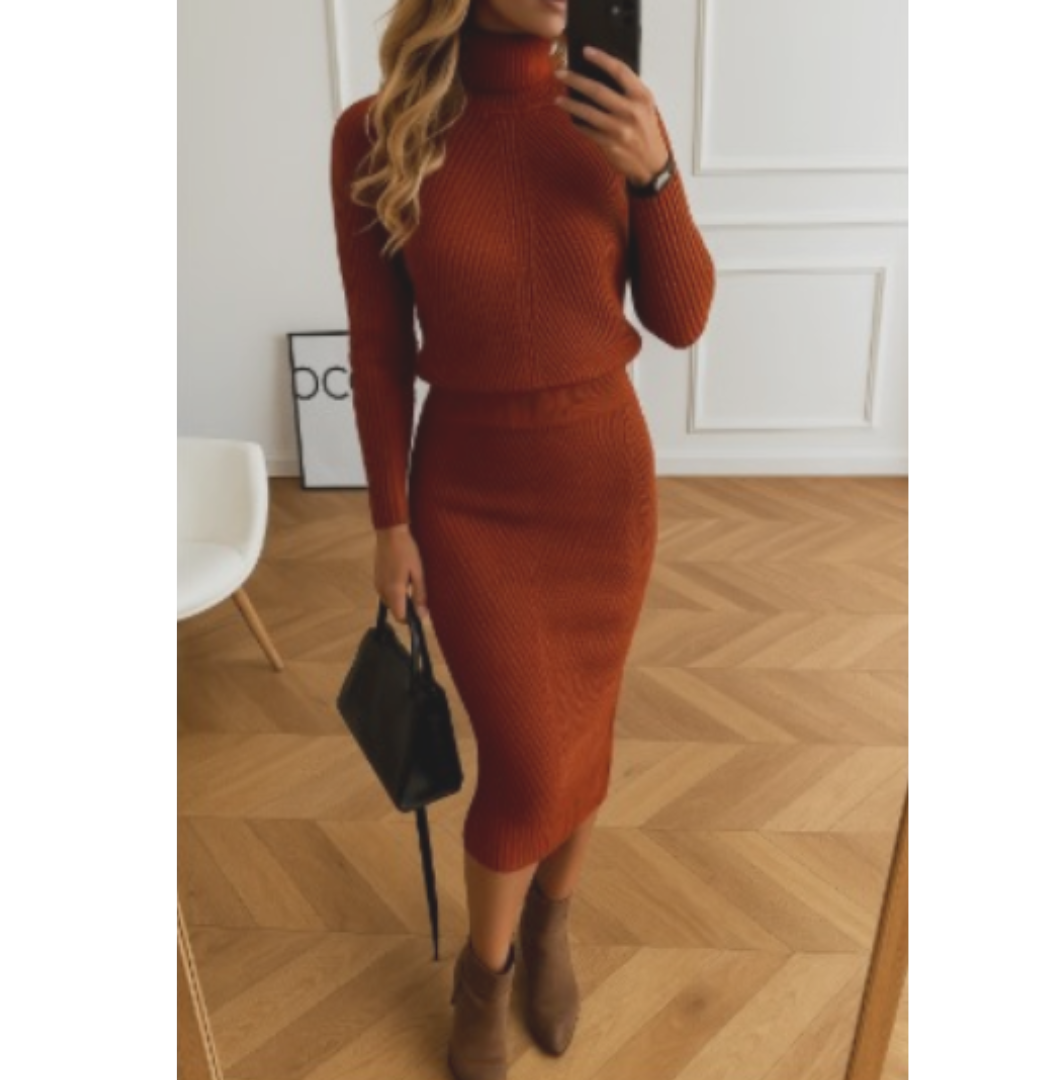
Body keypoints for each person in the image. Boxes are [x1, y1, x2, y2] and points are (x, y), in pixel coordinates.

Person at [329, 1, 715, 1076]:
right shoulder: (378, 132)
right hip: (469, 498)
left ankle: (550, 923)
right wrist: (389, 521)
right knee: (531, 761)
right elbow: (377, 348)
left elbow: (682, 317)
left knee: (582, 733)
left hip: (604, 487)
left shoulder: (613, 110)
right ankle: (482, 978)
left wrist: (654, 175)